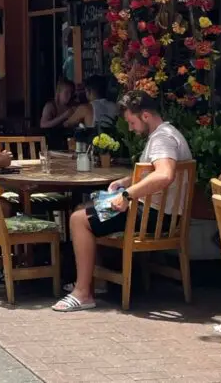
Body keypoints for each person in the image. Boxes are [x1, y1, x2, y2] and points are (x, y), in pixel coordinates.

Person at [53, 90, 192, 312]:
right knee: (84, 209)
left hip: (152, 216)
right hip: (159, 214)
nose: (130, 128)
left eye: (131, 121)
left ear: (145, 115)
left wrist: (128, 194)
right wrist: (127, 181)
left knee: (79, 219)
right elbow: (154, 171)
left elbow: (165, 174)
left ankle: (82, 293)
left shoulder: (162, 139)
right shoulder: (168, 133)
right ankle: (93, 280)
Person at [40, 79, 77, 148]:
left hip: (71, 142)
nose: (69, 96)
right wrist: (64, 116)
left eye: (71, 93)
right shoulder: (50, 106)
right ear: (59, 92)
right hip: (52, 142)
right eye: (66, 93)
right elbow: (43, 125)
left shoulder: (74, 106)